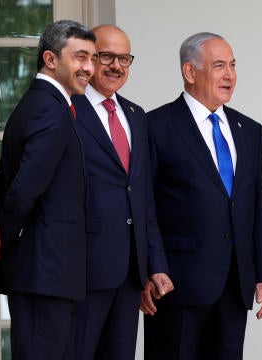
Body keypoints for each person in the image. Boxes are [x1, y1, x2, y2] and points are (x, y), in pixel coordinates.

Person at [141, 32, 262, 359]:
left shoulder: (249, 129)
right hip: (175, 285)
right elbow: (144, 206)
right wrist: (149, 269)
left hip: (235, 284)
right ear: (190, 72)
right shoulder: (154, 126)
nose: (230, 75)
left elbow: (257, 204)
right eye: (219, 65)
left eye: (232, 65)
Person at [71, 24, 173, 359]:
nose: (117, 65)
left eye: (125, 59)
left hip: (130, 275)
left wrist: (154, 264)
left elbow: (144, 198)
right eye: (107, 56)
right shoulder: (68, 109)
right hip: (82, 271)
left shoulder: (136, 115)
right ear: (88, 59)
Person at [0, 20, 97, 359]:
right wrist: (3, 236)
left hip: (47, 273)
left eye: (92, 58)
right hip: (43, 273)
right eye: (80, 57)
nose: (89, 67)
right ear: (51, 60)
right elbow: (23, 188)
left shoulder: (45, 105)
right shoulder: (49, 110)